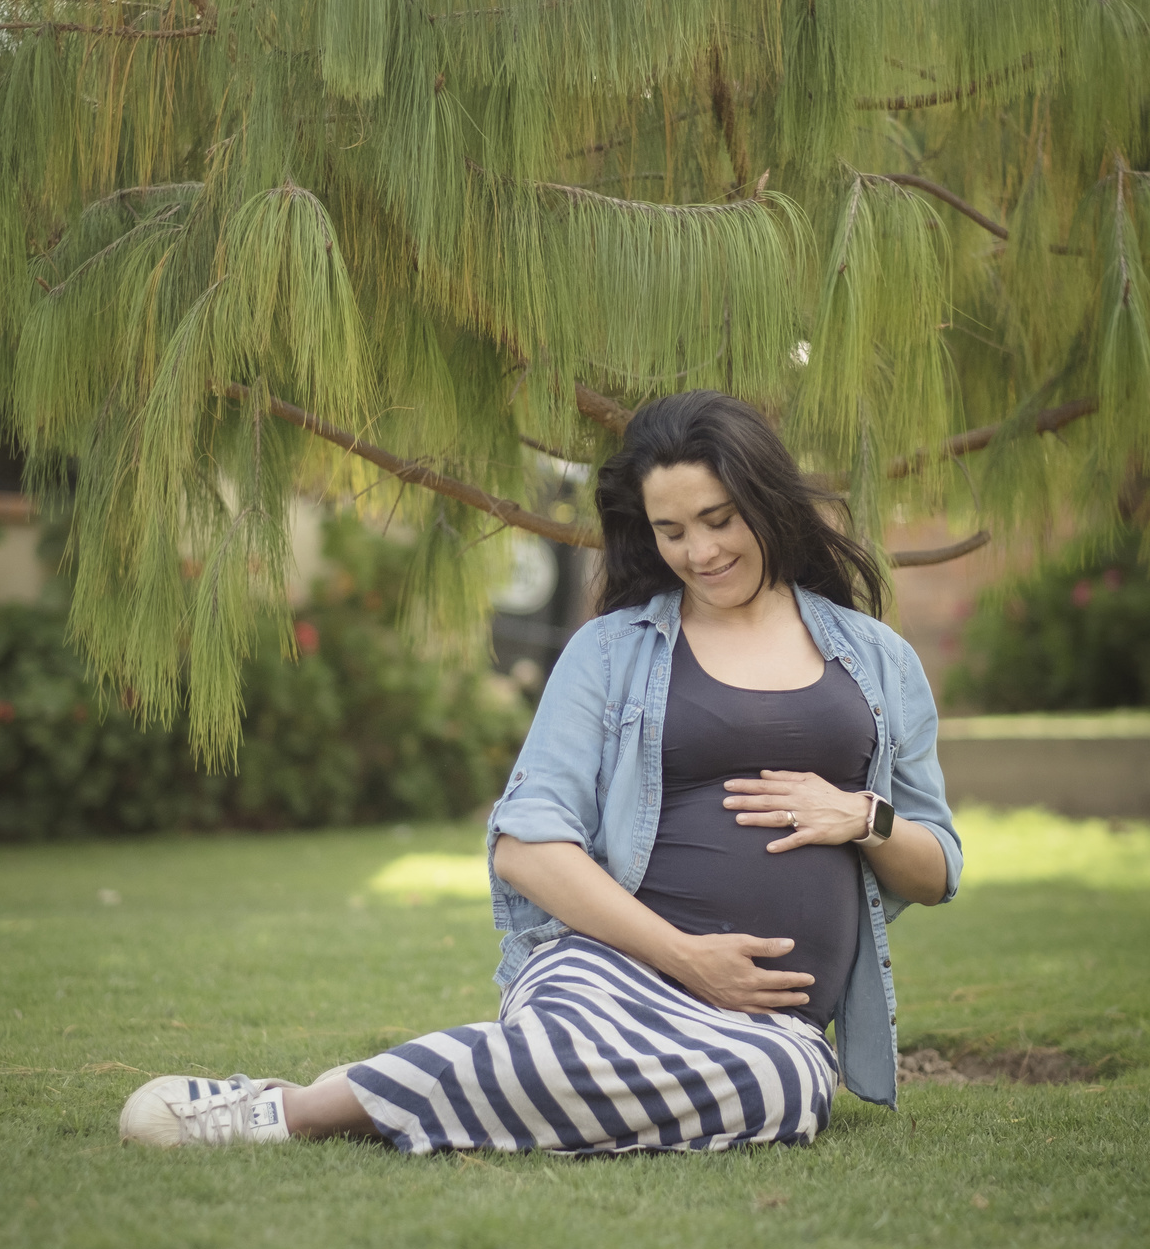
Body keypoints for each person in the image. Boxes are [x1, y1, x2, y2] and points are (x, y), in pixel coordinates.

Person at [120, 390, 961, 1154]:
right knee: (571, 1049)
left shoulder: (877, 660)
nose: (699, 551)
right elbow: (527, 844)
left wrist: (865, 816)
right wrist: (685, 957)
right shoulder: (612, 652)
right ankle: (290, 1111)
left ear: (767, 504)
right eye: (671, 531)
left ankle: (475, 1084)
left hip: (770, 1024)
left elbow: (937, 871)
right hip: (611, 967)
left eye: (719, 519)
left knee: (786, 1087)